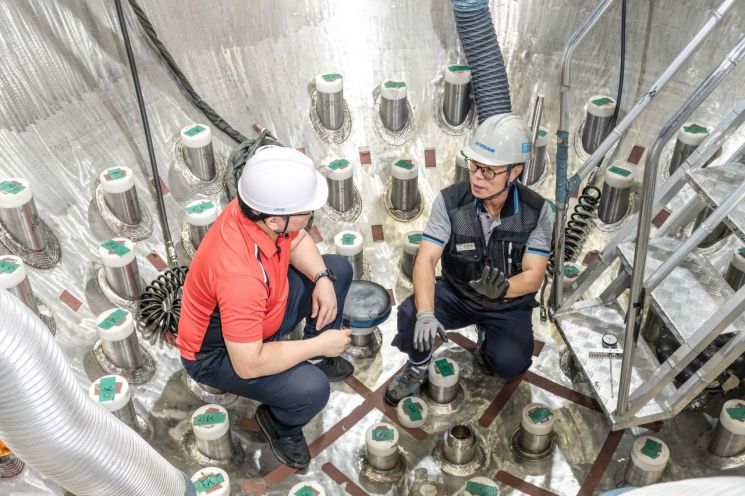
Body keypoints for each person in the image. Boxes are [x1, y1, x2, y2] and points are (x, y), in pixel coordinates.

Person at [177, 146, 354, 469]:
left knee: (337, 269)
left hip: (264, 312)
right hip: (218, 354)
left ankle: (316, 358)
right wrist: (317, 342)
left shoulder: (255, 213)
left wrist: (322, 278)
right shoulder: (239, 275)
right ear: (275, 218)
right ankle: (281, 424)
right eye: (307, 211)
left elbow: (296, 239)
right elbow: (248, 363)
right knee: (311, 389)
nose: (310, 216)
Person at [385, 113, 554, 405]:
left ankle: (488, 338)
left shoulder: (537, 212)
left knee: (510, 364)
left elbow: (534, 275)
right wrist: (427, 313)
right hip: (457, 294)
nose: (477, 176)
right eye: (474, 165)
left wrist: (503, 290)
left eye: (489, 171)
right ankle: (417, 365)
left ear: (514, 172)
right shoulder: (450, 202)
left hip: (506, 305)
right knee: (412, 314)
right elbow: (425, 261)